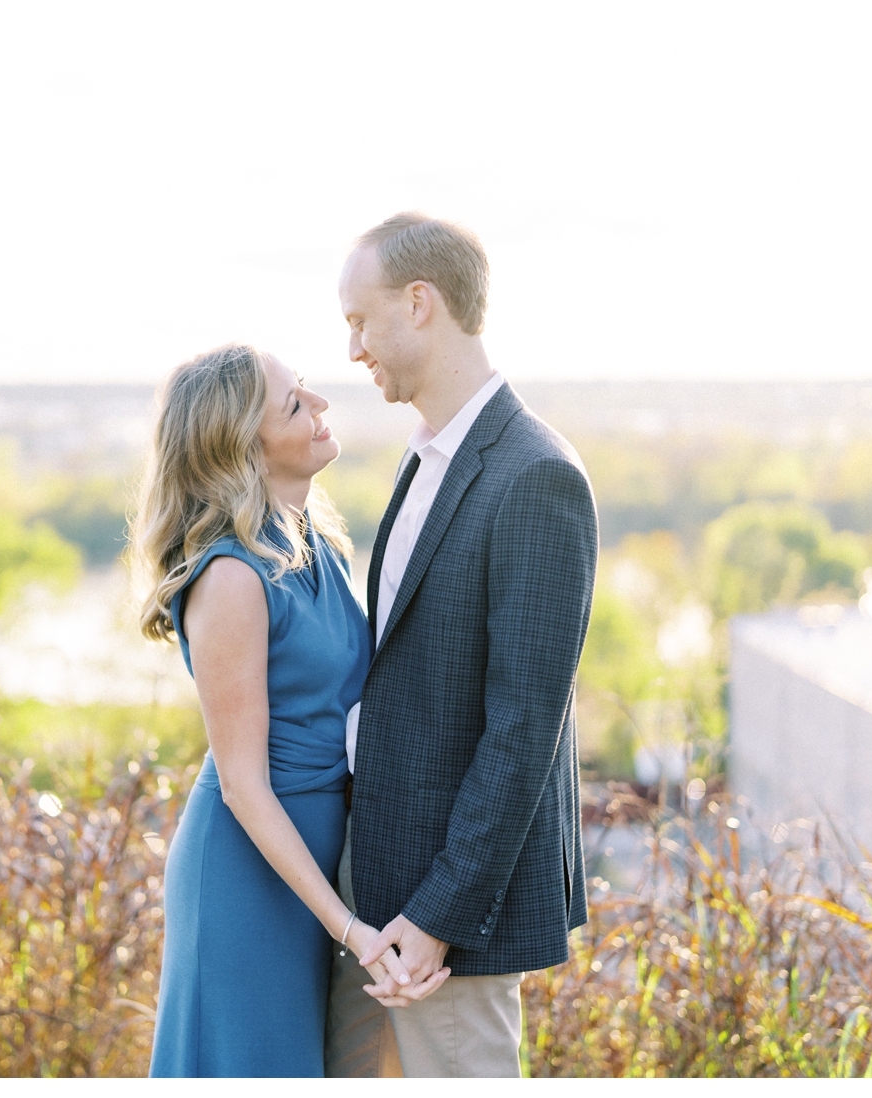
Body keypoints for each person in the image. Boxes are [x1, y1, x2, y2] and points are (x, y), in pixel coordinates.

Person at [325, 213, 598, 1078]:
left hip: (447, 920)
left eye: (359, 321)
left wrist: (437, 913)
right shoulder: (428, 458)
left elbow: (525, 732)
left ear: (419, 303)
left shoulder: (536, 476)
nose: (355, 347)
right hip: (374, 890)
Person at [132, 344, 445, 1078]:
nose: (322, 407)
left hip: (313, 870)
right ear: (243, 445)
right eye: (296, 404)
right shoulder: (234, 576)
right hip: (249, 876)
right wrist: (348, 928)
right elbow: (243, 785)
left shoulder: (315, 544)